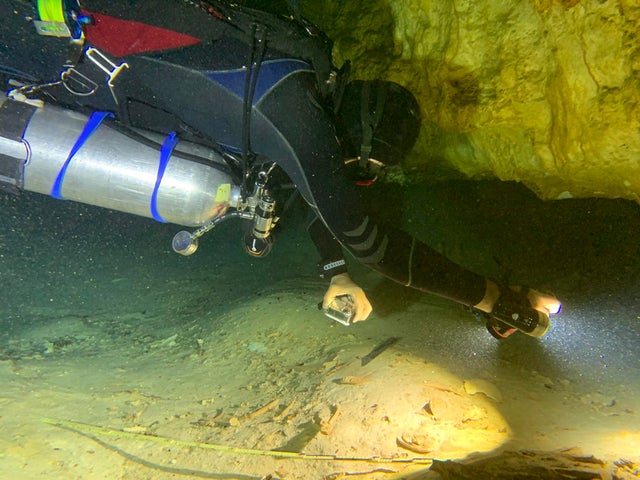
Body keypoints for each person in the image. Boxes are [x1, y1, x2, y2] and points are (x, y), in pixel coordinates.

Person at [0, 0, 560, 338]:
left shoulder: (288, 80)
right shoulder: (290, 108)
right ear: (357, 136)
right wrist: (495, 299)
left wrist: (335, 272)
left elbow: (315, 191)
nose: (350, 175)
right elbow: (364, 235)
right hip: (40, 53)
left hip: (46, 55)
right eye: (359, 165)